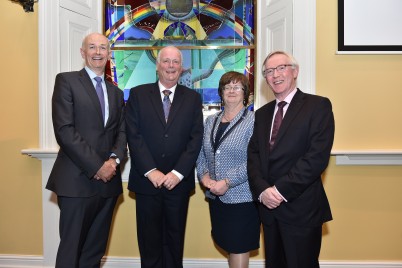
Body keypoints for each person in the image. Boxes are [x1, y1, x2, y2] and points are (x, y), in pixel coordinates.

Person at [247, 51, 335, 268]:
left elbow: (316, 158)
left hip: (301, 210)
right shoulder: (262, 113)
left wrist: (278, 191)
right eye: (268, 71)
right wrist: (262, 190)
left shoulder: (318, 106)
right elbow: (254, 155)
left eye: (281, 68)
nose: (275, 75)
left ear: (294, 71)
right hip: (268, 210)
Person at [46, 32, 127, 268]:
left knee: (95, 251)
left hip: (108, 184)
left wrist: (113, 161)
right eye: (92, 47)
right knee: (72, 249)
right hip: (75, 181)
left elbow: (121, 133)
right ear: (83, 53)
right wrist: (97, 166)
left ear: (109, 54)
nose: (98, 52)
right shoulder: (67, 81)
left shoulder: (117, 93)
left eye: (103, 48)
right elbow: (65, 131)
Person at [126, 46, 204, 268]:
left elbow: (195, 138)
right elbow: (134, 135)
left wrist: (177, 173)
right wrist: (152, 171)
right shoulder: (138, 94)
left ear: (182, 68)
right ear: (158, 65)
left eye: (175, 62)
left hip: (177, 184)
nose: (171, 66)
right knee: (148, 242)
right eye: (166, 61)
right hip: (146, 182)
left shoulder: (192, 98)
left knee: (174, 240)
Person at [196, 71, 260, 268]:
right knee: (227, 243)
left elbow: (254, 160)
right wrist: (204, 176)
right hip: (216, 196)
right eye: (227, 87)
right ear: (221, 92)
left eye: (237, 87)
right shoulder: (211, 121)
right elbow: (201, 152)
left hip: (242, 197)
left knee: (239, 246)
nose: (232, 91)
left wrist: (227, 182)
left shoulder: (254, 121)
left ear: (246, 93)